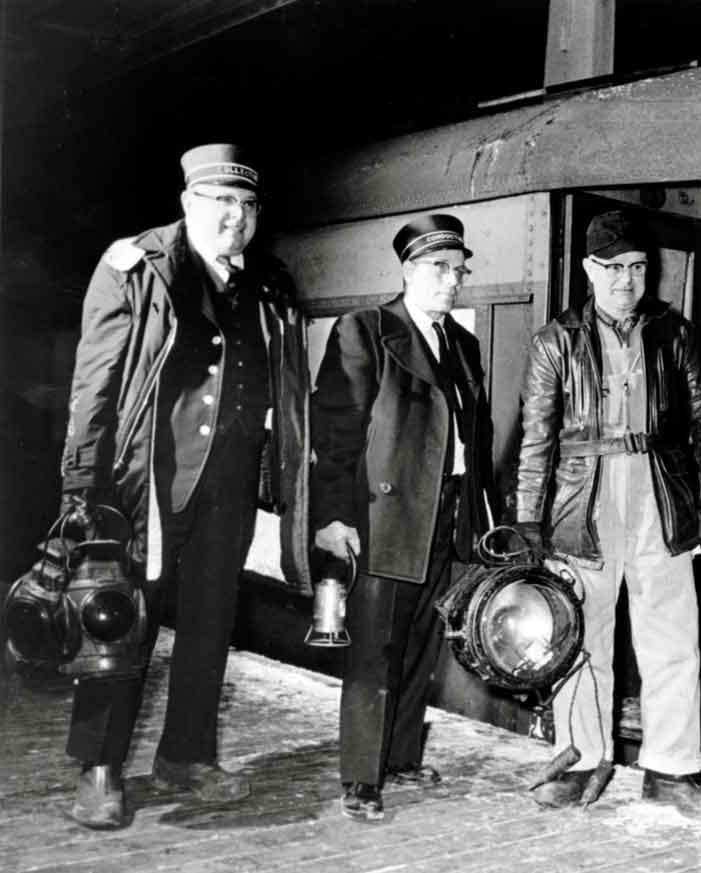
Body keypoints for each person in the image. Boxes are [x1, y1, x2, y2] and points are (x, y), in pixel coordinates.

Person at [57, 143, 311, 828]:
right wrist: (81, 485)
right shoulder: (137, 270)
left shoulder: (268, 284)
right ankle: (100, 768)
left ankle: (186, 755)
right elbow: (95, 385)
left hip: (228, 487)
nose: (235, 217)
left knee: (209, 622)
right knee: (121, 622)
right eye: (221, 201)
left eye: (247, 205)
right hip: (144, 484)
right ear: (187, 204)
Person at [514, 209, 701, 820]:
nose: (626, 280)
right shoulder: (556, 341)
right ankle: (580, 760)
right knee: (579, 637)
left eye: (637, 267)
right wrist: (529, 519)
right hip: (581, 502)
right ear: (589, 270)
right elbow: (536, 439)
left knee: (672, 638)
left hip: (660, 497)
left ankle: (671, 770)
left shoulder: (677, 334)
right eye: (613, 268)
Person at [311, 214, 497, 823]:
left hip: (447, 511)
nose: (452, 281)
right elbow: (335, 435)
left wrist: (484, 515)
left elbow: (475, 435)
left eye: (460, 270)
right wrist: (334, 517)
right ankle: (361, 777)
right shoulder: (367, 330)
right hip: (384, 515)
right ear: (408, 271)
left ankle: (400, 756)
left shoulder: (461, 344)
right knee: (375, 649)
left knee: (420, 643)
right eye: (440, 268)